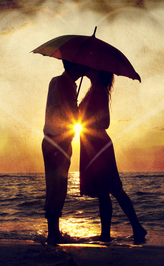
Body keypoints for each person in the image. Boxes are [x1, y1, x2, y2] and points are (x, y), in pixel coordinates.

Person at [79, 68, 147, 243]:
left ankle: (136, 227)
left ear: (98, 72)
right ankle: (107, 234)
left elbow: (105, 121)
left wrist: (85, 118)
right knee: (104, 192)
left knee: (114, 189)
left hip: (98, 146)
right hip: (92, 145)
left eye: (91, 68)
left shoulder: (99, 91)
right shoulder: (93, 90)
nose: (87, 68)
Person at [42, 59, 88, 245]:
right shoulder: (65, 85)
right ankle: (53, 234)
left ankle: (53, 232)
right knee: (58, 187)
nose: (84, 67)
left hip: (49, 140)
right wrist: (77, 108)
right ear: (74, 65)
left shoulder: (56, 81)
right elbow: (69, 115)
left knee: (54, 186)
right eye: (81, 64)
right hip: (58, 141)